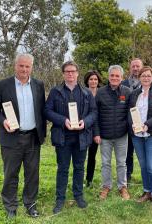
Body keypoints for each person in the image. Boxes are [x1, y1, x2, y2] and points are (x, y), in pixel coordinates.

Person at [0, 53, 46, 218]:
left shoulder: (38, 85)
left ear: (31, 68)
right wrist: (3, 121)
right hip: (11, 138)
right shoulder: (3, 85)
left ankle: (31, 204)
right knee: (11, 173)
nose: (24, 69)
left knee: (32, 174)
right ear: (15, 66)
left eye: (27, 66)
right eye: (21, 65)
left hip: (33, 137)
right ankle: (10, 206)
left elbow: (42, 109)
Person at [44, 61, 97, 214]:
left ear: (78, 73)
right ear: (63, 74)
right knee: (63, 169)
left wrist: (85, 122)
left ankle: (78, 195)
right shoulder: (55, 91)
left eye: (73, 71)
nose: (70, 74)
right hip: (63, 136)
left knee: (79, 168)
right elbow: (47, 111)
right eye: (67, 71)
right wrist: (63, 121)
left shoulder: (86, 92)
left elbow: (94, 113)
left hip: (81, 136)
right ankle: (60, 199)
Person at [128, 66, 152, 208]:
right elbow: (130, 111)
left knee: (151, 166)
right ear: (139, 77)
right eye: (143, 75)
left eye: (148, 76)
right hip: (137, 135)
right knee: (143, 165)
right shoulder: (134, 94)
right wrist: (132, 124)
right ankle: (146, 192)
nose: (145, 78)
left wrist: (148, 124)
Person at [94, 65, 131, 200]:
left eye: (117, 76)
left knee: (122, 162)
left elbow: (131, 113)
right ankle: (106, 186)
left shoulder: (127, 92)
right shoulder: (100, 92)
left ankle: (122, 187)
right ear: (108, 77)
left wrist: (131, 129)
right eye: (112, 76)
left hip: (122, 135)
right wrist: (96, 133)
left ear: (122, 77)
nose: (114, 78)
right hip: (104, 136)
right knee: (105, 163)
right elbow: (95, 114)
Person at [121, 58, 143, 182]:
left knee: (143, 151)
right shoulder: (123, 83)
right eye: (133, 66)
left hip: (144, 123)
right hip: (127, 123)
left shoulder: (149, 82)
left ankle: (146, 176)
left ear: (142, 67)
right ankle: (128, 174)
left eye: (138, 66)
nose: (135, 68)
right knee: (127, 151)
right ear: (130, 68)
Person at [84, 70, 102, 187]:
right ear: (87, 81)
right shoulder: (83, 93)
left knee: (92, 155)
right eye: (91, 79)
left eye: (95, 79)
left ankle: (89, 180)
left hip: (97, 130)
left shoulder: (101, 94)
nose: (93, 81)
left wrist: (98, 132)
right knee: (81, 156)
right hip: (84, 128)